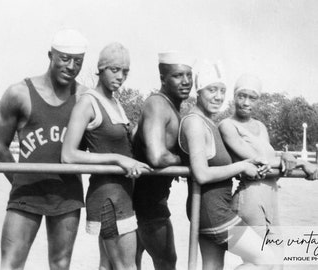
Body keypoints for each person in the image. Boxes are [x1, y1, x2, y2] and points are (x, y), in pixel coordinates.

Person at [0, 29, 88, 270]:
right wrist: (21, 180)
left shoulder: (85, 98)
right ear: (50, 55)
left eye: (78, 61)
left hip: (67, 195)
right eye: (64, 58)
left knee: (60, 264)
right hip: (27, 193)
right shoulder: (20, 93)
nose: (71, 66)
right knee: (11, 264)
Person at [61, 42, 152, 270]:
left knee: (107, 266)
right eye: (114, 69)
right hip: (108, 199)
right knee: (126, 267)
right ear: (100, 69)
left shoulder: (115, 102)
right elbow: (68, 155)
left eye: (125, 71)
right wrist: (116, 159)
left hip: (123, 195)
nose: (121, 76)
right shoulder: (87, 102)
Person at [178, 62, 276, 270]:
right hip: (214, 213)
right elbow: (202, 174)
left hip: (210, 210)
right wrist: (241, 167)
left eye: (222, 91)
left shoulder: (209, 122)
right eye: (211, 90)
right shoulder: (195, 122)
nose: (218, 97)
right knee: (270, 261)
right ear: (199, 90)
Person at [133, 51, 193, 270]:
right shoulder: (158, 105)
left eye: (188, 75)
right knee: (167, 262)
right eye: (178, 75)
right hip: (146, 202)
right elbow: (157, 156)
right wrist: (186, 160)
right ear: (162, 79)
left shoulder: (171, 106)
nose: (185, 81)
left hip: (150, 199)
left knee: (134, 261)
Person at [218, 74, 297, 239]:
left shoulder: (261, 126)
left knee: (277, 260)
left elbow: (271, 156)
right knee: (262, 260)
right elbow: (260, 160)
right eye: (242, 96)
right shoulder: (227, 125)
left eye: (252, 98)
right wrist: (301, 163)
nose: (246, 103)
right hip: (250, 197)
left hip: (271, 195)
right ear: (234, 97)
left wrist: (286, 154)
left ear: (258, 100)